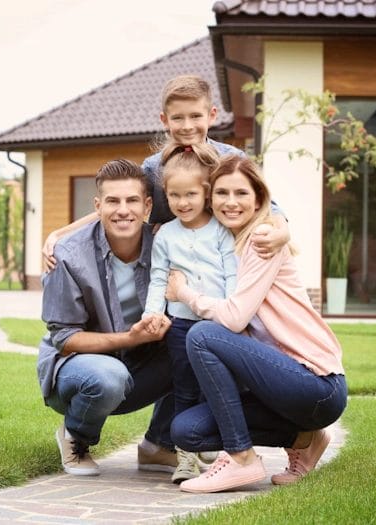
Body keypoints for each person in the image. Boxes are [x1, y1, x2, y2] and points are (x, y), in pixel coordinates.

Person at [165, 155, 348, 493]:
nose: (230, 202)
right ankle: (305, 438)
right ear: (210, 198)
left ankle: (241, 458)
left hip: (317, 383)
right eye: (221, 193)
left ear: (259, 199)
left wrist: (185, 294)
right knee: (186, 430)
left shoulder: (262, 238)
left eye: (241, 193)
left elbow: (234, 319)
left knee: (203, 334)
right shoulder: (226, 243)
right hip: (281, 387)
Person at [40, 74, 290, 272]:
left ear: (211, 115)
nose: (187, 125)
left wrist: (283, 232)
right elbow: (118, 202)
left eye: (195, 116)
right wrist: (60, 234)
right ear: (164, 120)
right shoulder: (153, 167)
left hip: (227, 261)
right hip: (175, 265)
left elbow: (269, 206)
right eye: (178, 118)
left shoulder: (232, 160)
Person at [37, 159, 177, 476]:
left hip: (138, 364)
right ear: (98, 205)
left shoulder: (165, 247)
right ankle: (75, 437)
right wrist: (131, 338)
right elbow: (65, 339)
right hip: (77, 373)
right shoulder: (68, 255)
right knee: (108, 376)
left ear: (147, 206)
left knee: (198, 342)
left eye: (132, 201)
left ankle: (159, 444)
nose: (122, 210)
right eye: (113, 201)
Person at [142, 139, 236, 483]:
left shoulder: (222, 231)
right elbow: (157, 278)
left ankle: (215, 449)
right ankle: (185, 458)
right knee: (183, 388)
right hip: (181, 324)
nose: (182, 203)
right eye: (174, 196)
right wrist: (153, 313)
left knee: (215, 387)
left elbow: (232, 277)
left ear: (206, 193)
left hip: (216, 325)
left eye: (190, 195)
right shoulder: (165, 235)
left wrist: (233, 314)